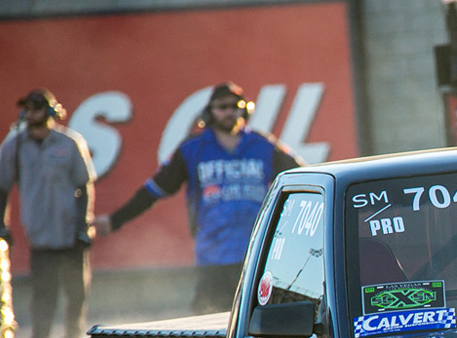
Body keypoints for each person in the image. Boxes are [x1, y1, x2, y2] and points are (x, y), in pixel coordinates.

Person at [94, 82, 303, 313]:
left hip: (257, 253)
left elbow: (302, 176)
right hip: (213, 257)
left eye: (236, 106)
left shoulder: (263, 145)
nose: (230, 112)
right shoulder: (193, 149)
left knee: (258, 317)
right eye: (222, 107)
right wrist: (115, 220)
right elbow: (154, 190)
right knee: (211, 318)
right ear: (209, 112)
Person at [0, 88, 96, 338]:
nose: (30, 114)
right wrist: (1, 224)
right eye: (28, 109)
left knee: (76, 292)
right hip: (40, 234)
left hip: (70, 232)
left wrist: (84, 225)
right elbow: (1, 187)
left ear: (50, 112)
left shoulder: (69, 143)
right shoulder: (15, 145)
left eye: (36, 109)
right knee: (43, 293)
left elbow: (84, 186)